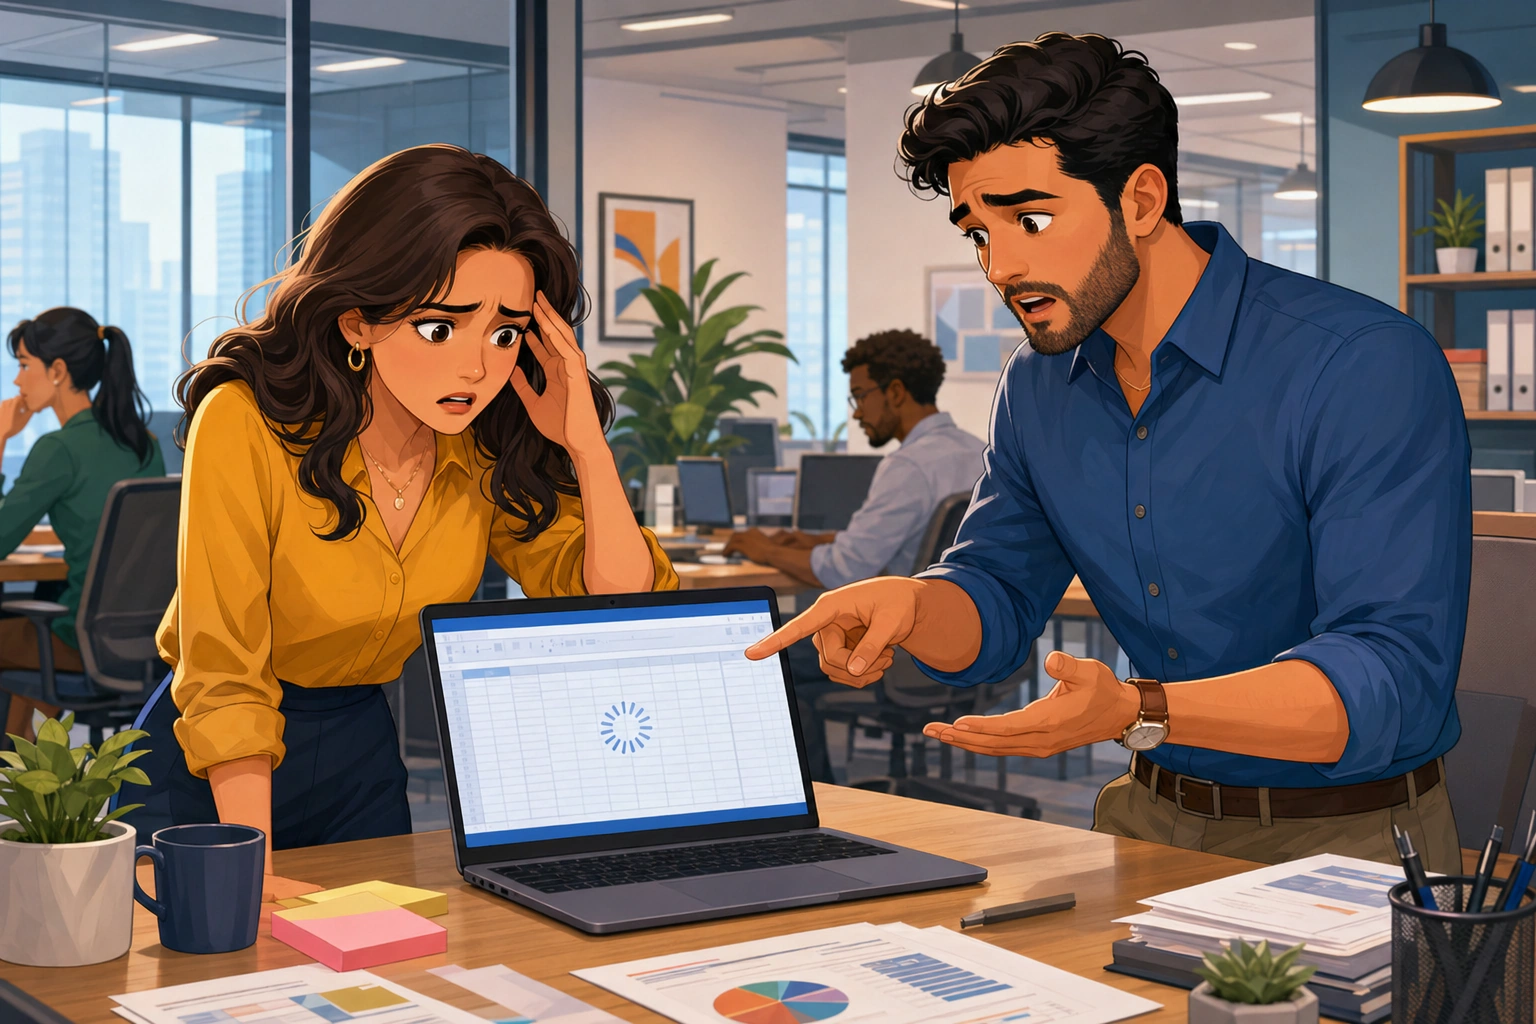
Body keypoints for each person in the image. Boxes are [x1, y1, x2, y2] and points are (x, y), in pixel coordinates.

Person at [748, 33, 1468, 871]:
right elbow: (996, 598)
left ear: (1141, 199)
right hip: (1146, 821)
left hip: (1350, 841)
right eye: (978, 232)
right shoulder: (1038, 385)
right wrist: (914, 604)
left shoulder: (1358, 362)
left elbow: (1391, 678)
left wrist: (1136, 709)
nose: (1000, 265)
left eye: (1031, 219)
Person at [137, 144, 677, 901]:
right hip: (212, 764)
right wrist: (245, 864)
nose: (476, 368)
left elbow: (623, 603)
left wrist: (585, 445)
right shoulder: (247, 419)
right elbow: (225, 671)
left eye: (505, 334)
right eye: (439, 329)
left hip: (358, 746)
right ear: (358, 321)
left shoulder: (483, 445)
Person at [725, 330, 984, 782]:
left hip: (901, 649)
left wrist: (759, 546)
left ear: (897, 392)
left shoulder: (909, 466)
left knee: (769, 658)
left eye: (861, 397)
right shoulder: (978, 451)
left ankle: (817, 805)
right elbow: (902, 540)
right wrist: (804, 539)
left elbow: (845, 568)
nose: (858, 412)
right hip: (973, 641)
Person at [0, 308, 165, 745]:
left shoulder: (58, 449)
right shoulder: (143, 444)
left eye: (22, 365)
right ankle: (33, 780)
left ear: (56, 371)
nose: (16, 381)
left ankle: (22, 777)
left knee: (21, 630)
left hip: (81, 641)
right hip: (145, 644)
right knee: (40, 614)